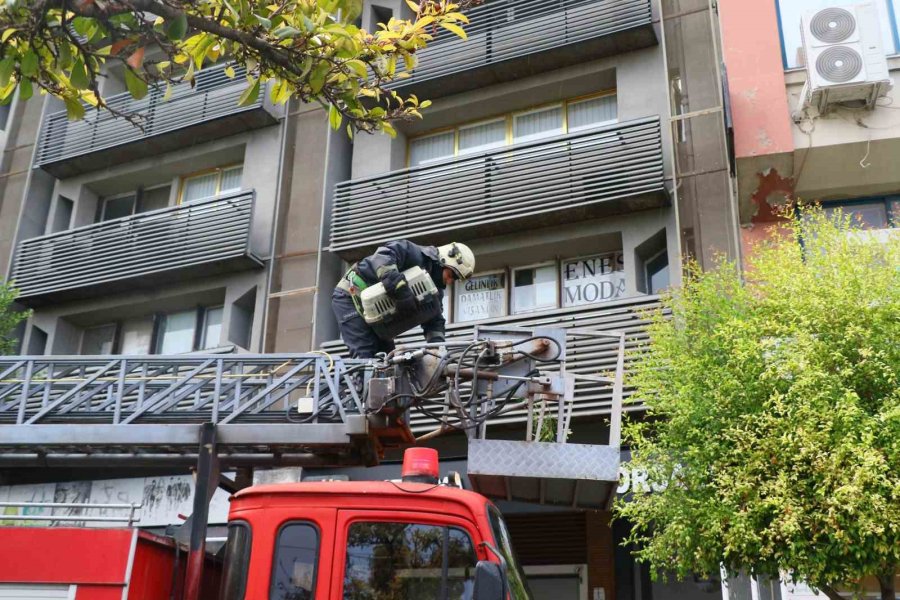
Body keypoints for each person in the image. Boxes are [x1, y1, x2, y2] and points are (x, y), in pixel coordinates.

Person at [333, 240, 475, 359]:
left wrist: (436, 351)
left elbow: (435, 321)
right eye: (451, 275)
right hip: (350, 296)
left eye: (454, 280)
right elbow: (383, 256)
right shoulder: (412, 252)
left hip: (379, 320)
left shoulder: (434, 292)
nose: (449, 281)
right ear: (444, 261)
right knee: (364, 354)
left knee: (386, 361)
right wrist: (400, 289)